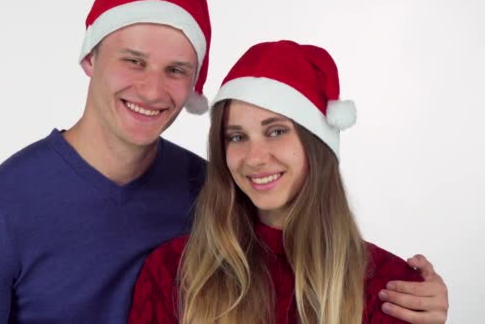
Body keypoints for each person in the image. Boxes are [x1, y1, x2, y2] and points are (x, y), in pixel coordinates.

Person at [0, 0, 447, 323]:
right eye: (133, 61)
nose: (153, 90)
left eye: (176, 70)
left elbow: (309, 246)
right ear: (90, 58)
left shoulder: (216, 187)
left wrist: (421, 296)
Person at [128, 40, 448, 323]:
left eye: (276, 131)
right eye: (237, 136)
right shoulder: (174, 273)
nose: (254, 157)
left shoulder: (392, 289)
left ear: (317, 144)